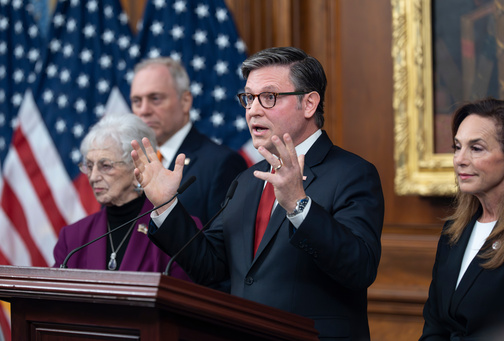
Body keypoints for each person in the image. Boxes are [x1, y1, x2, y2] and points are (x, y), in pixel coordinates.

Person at [131, 47, 385, 340]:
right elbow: (211, 268)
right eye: (249, 98)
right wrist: (166, 206)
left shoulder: (352, 173)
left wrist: (299, 206)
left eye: (269, 97)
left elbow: (359, 268)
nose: (252, 110)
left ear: (309, 103)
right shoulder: (246, 181)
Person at [53, 112, 199, 279]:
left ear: (136, 167)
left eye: (105, 166)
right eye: (89, 166)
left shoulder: (179, 233)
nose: (93, 177)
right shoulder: (73, 237)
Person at [420, 98, 504, 340]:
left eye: (476, 148)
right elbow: (434, 325)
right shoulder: (453, 232)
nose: (460, 159)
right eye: (457, 147)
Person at [130, 57, 248, 224]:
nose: (143, 110)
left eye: (155, 98)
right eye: (136, 101)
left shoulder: (221, 164)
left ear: (185, 101)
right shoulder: (130, 162)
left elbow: (222, 243)